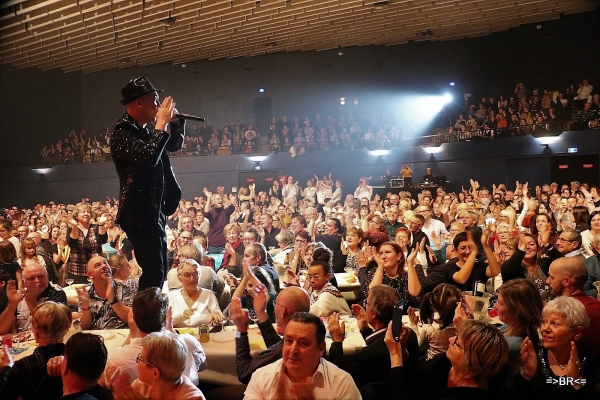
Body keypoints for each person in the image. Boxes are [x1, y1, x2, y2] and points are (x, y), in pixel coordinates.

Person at [111, 76, 185, 291]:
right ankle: (146, 319)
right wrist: (161, 123)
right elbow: (148, 157)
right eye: (154, 99)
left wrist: (177, 124)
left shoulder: (143, 130)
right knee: (153, 271)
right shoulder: (122, 133)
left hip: (154, 210)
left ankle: (152, 315)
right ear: (138, 103)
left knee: (160, 269)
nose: (158, 104)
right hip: (138, 212)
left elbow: (172, 145)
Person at [100, 288, 206, 392]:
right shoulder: (188, 343)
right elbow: (202, 367)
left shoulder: (116, 359)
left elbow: (102, 386)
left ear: (134, 319)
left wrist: (132, 334)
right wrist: (171, 331)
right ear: (166, 318)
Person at [378, 319, 509, 399]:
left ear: (470, 360)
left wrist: (395, 354)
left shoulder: (468, 396)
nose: (451, 339)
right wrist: (402, 349)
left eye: (457, 342)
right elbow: (418, 374)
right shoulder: (448, 362)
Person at [244, 312, 361, 400]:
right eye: (288, 341)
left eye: (303, 343)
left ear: (320, 349)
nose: (293, 350)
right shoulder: (261, 378)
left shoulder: (341, 383)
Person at [327, 284, 419, 391]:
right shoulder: (409, 334)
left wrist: (336, 341)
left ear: (374, 313)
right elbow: (380, 343)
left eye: (367, 303)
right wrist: (365, 330)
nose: (365, 306)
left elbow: (341, 380)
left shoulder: (367, 355)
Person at [518, 297, 598, 398]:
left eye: (555, 324)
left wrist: (576, 381)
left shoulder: (589, 366)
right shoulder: (533, 357)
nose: (545, 329)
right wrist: (527, 374)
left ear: (577, 332)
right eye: (544, 322)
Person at [0, 301, 71, 400]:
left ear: (36, 334)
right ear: (66, 330)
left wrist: (6, 368)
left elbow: (4, 396)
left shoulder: (23, 366)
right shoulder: (74, 359)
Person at [116, 332, 204, 399]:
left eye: (141, 358)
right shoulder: (140, 387)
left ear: (155, 373)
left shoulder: (193, 398)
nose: (137, 361)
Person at [546, 257, 600, 359]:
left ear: (567, 281)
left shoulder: (562, 314)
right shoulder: (597, 305)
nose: (547, 281)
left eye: (551, 277)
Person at [0, 263, 67, 334]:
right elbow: (1, 330)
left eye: (41, 276)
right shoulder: (18, 296)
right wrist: (12, 305)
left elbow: (52, 329)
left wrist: (31, 302)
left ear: (47, 277)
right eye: (31, 279)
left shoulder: (57, 293)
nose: (37, 281)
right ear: (23, 282)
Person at [77, 255, 133, 331]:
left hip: (121, 337)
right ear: (90, 275)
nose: (104, 266)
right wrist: (85, 304)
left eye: (105, 263)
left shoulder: (125, 288)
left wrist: (113, 300)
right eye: (97, 266)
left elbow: (132, 318)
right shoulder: (86, 294)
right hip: (95, 339)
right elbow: (84, 327)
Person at [407, 283, 461, 360]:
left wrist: (414, 325)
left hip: (433, 366)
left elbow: (419, 348)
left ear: (432, 303)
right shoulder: (462, 326)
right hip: (453, 364)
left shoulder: (429, 327)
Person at [167, 259, 222, 328]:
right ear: (179, 277)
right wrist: (182, 316)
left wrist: (216, 317)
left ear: (200, 276)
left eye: (195, 274)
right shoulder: (171, 296)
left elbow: (219, 319)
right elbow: (165, 322)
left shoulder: (208, 294)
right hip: (178, 337)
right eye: (187, 275)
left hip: (204, 336)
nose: (192, 279)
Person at [306, 248, 350, 317]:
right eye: (310, 277)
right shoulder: (318, 290)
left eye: (316, 277)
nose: (312, 280)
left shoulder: (328, 293)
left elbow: (310, 313)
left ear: (327, 276)